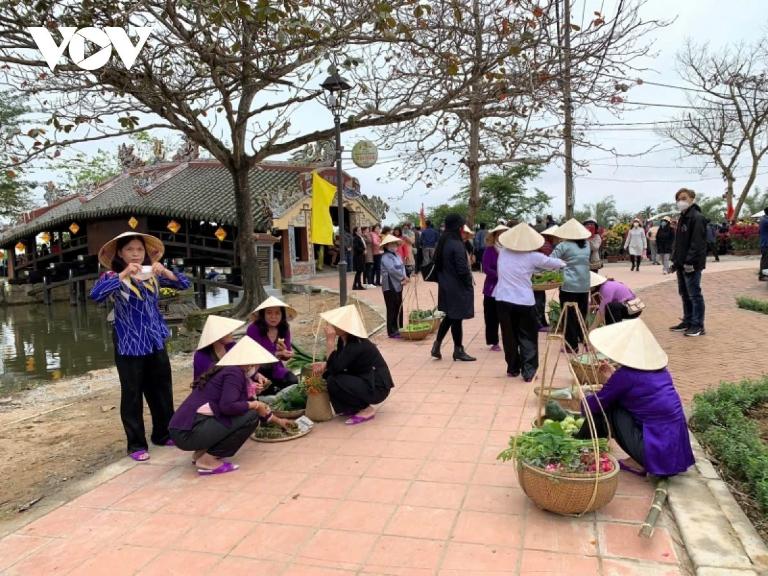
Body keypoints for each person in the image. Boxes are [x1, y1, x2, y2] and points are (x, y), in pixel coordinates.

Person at [90, 231, 191, 462]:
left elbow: (183, 283)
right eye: (129, 250)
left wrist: (164, 270)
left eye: (139, 249)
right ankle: (136, 444)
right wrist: (124, 274)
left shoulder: (152, 275)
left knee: (162, 389)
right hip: (129, 343)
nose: (135, 254)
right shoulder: (112, 277)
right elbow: (96, 296)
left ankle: (163, 433)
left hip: (155, 339)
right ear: (120, 254)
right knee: (132, 394)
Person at [575, 319, 695, 477]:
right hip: (674, 450)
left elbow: (598, 403)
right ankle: (589, 442)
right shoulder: (661, 371)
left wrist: (582, 399)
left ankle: (583, 441)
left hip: (655, 452)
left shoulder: (626, 376)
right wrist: (613, 377)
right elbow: (639, 393)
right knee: (612, 401)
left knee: (605, 405)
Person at [169, 337, 293, 475]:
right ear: (250, 363)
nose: (257, 368)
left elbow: (235, 404)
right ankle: (207, 460)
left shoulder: (230, 370)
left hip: (182, 430)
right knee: (251, 416)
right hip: (187, 433)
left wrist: (278, 421)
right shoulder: (234, 373)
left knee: (248, 411)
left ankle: (201, 454)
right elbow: (228, 407)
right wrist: (255, 404)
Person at [494, 223, 565, 381]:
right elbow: (555, 263)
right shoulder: (533, 257)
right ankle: (529, 371)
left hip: (503, 300)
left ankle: (513, 368)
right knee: (527, 336)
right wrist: (564, 263)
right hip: (524, 301)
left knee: (509, 336)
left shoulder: (503, 253)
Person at [312, 304, 394, 424]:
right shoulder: (343, 340)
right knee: (329, 378)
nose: (330, 326)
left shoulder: (357, 344)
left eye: (335, 324)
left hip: (377, 387)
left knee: (335, 378)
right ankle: (351, 407)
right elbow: (338, 362)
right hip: (364, 379)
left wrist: (329, 341)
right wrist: (326, 364)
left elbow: (335, 368)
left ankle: (366, 409)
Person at [431, 213, 475, 361]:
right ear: (459, 227)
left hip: (446, 285)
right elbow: (462, 269)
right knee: (456, 318)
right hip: (457, 287)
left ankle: (437, 345)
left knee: (450, 317)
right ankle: (458, 350)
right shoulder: (456, 244)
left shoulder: (443, 242)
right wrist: (469, 282)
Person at [670, 187, 708, 337]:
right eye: (678, 199)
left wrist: (689, 262)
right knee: (684, 294)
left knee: (694, 294)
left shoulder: (697, 217)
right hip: (681, 263)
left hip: (691, 264)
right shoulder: (682, 217)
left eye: (684, 198)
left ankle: (698, 325)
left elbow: (697, 243)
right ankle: (688, 320)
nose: (681, 201)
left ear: (692, 199)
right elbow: (679, 242)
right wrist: (675, 261)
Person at [551, 219, 592, 352]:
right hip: (584, 284)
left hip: (568, 285)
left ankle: (571, 345)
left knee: (569, 315)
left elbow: (551, 260)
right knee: (581, 313)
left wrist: (561, 264)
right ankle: (582, 339)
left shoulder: (563, 246)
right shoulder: (587, 245)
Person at [246, 296, 299, 393]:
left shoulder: (284, 329)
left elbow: (285, 356)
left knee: (293, 381)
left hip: (276, 369)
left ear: (282, 314)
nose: (273, 317)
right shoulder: (253, 329)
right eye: (269, 313)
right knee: (266, 389)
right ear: (263, 314)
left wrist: (286, 354)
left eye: (277, 313)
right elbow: (252, 356)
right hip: (257, 370)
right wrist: (276, 354)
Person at [481, 224, 509, 351]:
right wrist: (498, 274)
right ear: (495, 236)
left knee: (505, 316)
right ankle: (493, 341)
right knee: (491, 316)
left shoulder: (510, 250)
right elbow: (486, 268)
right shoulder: (490, 250)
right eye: (500, 234)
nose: (502, 236)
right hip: (492, 288)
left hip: (507, 289)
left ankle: (509, 339)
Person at [380, 234, 408, 338]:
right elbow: (392, 270)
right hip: (389, 285)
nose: (394, 246)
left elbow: (402, 267)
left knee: (399, 306)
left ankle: (398, 327)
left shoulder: (397, 255)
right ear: (386, 246)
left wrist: (405, 277)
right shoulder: (385, 257)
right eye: (392, 244)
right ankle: (392, 331)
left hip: (399, 284)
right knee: (391, 307)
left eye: (395, 244)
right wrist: (402, 277)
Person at [534, 225, 558, 331]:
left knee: (540, 299)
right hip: (538, 275)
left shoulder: (542, 243)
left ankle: (541, 322)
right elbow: (548, 261)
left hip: (538, 275)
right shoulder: (546, 245)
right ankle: (539, 324)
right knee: (539, 300)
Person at [760, 207, 768, 281]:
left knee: (764, 259)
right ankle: (762, 276)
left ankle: (762, 275)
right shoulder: (766, 220)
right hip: (766, 244)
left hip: (764, 243)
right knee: (765, 260)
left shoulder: (763, 219)